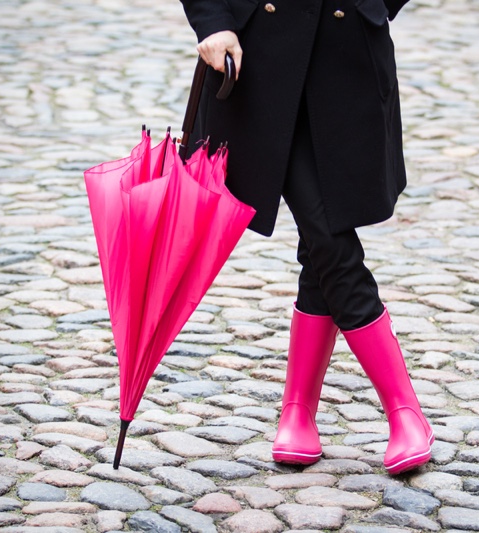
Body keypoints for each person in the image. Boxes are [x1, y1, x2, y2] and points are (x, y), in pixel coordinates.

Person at [180, 0, 433, 474]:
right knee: (327, 235)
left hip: (346, 54)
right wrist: (213, 21)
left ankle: (299, 413)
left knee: (323, 237)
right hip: (257, 59)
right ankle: (404, 411)